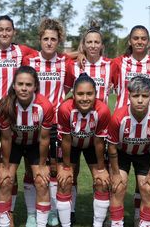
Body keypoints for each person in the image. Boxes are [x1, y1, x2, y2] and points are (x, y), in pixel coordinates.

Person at [0, 15, 37, 227]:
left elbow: (51, 53)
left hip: (13, 115)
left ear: (14, 32)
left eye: (8, 29)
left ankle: (7, 214)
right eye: (0, 29)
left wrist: (79, 53)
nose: (4, 33)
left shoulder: (22, 51)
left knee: (9, 165)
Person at [111, 25, 150, 222]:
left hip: (147, 132)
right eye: (136, 38)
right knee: (118, 184)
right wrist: (80, 54)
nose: (139, 41)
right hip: (123, 129)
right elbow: (98, 68)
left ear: (148, 41)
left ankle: (139, 218)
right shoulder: (118, 63)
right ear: (130, 41)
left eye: (143, 38)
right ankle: (116, 219)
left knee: (145, 185)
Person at [23, 18, 73, 226]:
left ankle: (51, 210)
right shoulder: (30, 61)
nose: (49, 42)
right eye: (46, 38)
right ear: (40, 39)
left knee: (52, 168)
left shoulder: (65, 63)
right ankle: (31, 214)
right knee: (30, 168)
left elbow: (68, 87)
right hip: (33, 121)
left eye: (53, 39)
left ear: (59, 40)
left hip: (55, 124)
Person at [107, 76, 150, 227]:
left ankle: (144, 224)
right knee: (118, 187)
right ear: (129, 96)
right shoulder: (118, 117)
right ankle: (116, 223)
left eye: (145, 96)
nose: (140, 100)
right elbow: (111, 147)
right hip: (122, 154)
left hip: (145, 155)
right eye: (136, 96)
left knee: (147, 188)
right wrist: (115, 174)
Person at [0, 66, 54, 227]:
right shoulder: (5, 105)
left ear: (35, 86)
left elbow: (44, 138)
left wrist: (42, 166)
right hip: (13, 144)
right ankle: (5, 224)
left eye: (28, 84)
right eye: (20, 84)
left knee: (42, 181)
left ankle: (40, 224)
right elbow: (6, 139)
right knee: (6, 180)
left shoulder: (45, 106)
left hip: (35, 144)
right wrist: (5, 166)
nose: (23, 88)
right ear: (13, 85)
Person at [56, 73, 111, 227]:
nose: (85, 98)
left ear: (96, 94)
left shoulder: (103, 110)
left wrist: (101, 169)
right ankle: (67, 222)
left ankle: (98, 224)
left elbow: (100, 142)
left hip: (93, 145)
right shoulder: (65, 108)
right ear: (73, 94)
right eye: (80, 94)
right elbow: (65, 140)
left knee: (102, 181)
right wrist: (66, 168)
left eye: (89, 94)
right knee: (65, 180)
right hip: (70, 145)